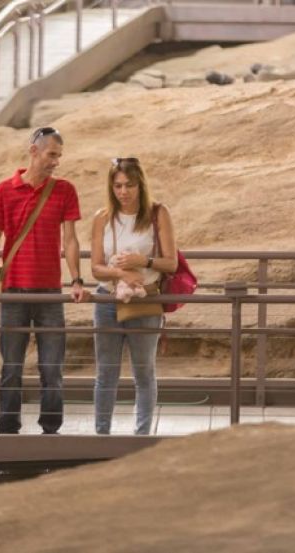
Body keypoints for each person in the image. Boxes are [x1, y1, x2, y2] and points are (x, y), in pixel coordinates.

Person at [0, 126, 86, 435]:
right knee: (11, 367)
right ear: (34, 151)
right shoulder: (3, 190)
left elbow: (71, 240)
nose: (56, 162)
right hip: (13, 291)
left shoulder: (65, 190)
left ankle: (51, 428)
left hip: (50, 291)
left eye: (59, 156)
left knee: (52, 368)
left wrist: (77, 280)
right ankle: (8, 427)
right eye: (52, 154)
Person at [90, 157, 177, 435]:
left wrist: (144, 260)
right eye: (117, 186)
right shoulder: (102, 218)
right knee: (106, 374)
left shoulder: (157, 214)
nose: (123, 192)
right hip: (107, 302)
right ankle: (101, 436)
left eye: (129, 185)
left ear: (141, 184)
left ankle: (141, 436)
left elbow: (171, 263)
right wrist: (120, 274)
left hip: (146, 301)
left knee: (144, 373)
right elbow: (96, 268)